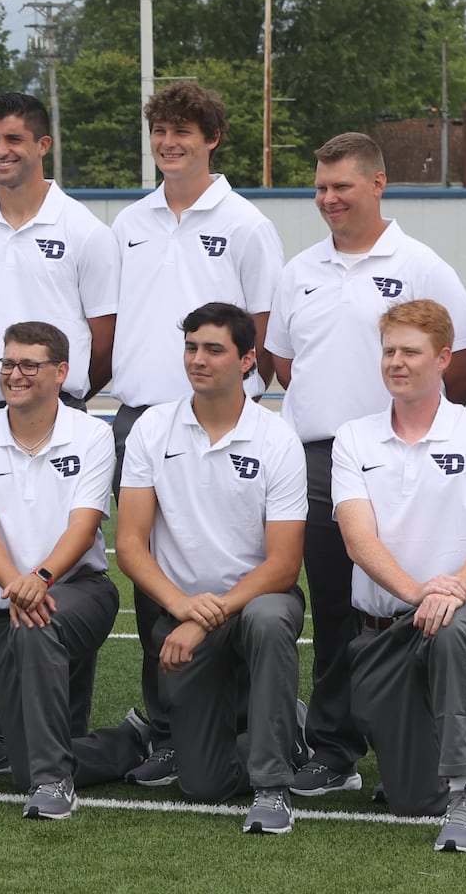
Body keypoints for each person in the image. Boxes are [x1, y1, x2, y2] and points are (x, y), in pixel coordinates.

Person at [265, 132, 466, 800]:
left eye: (342, 188)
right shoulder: (298, 270)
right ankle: (333, 747)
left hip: (402, 460)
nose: (328, 200)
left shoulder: (422, 265)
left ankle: (413, 738)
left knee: (408, 602)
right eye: (321, 188)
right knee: (333, 609)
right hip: (321, 462)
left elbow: (462, 363)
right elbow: (284, 362)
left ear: (378, 184)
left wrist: (406, 434)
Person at [0, 92, 118, 780]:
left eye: (14, 139)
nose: (1, 151)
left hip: (59, 414)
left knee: (68, 570)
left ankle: (62, 732)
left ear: (43, 146)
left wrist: (62, 402)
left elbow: (103, 333)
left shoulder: (86, 231)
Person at [109, 82, 283, 786]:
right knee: (154, 585)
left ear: (212, 138)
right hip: (142, 421)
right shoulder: (128, 221)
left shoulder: (246, 224)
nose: (169, 142)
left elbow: (263, 332)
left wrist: (246, 410)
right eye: (160, 130)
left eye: (183, 130)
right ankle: (170, 728)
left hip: (221, 423)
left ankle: (247, 724)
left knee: (231, 570)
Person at [333, 299, 466, 853]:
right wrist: (419, 593)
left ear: (442, 359)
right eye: (389, 350)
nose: (396, 361)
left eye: (410, 351)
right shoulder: (354, 437)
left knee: (453, 630)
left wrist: (454, 589)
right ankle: (456, 772)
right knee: (412, 797)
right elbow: (357, 538)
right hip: (387, 624)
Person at [117, 302, 307, 835]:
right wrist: (182, 608)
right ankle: (287, 728)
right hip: (184, 609)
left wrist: (204, 617)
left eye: (214, 350)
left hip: (254, 603)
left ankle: (272, 787)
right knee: (203, 785)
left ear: (248, 360)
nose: (198, 360)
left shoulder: (277, 439)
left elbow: (285, 565)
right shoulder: (154, 428)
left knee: (270, 619)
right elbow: (130, 545)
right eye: (191, 347)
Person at [0, 321, 119, 819]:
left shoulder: (91, 435)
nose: (15, 374)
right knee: (19, 765)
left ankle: (52, 784)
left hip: (78, 591)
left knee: (38, 627)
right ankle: (129, 741)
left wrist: (39, 579)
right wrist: (18, 585)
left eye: (29, 364)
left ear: (61, 372)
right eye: (7, 363)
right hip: (5, 604)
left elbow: (83, 527)